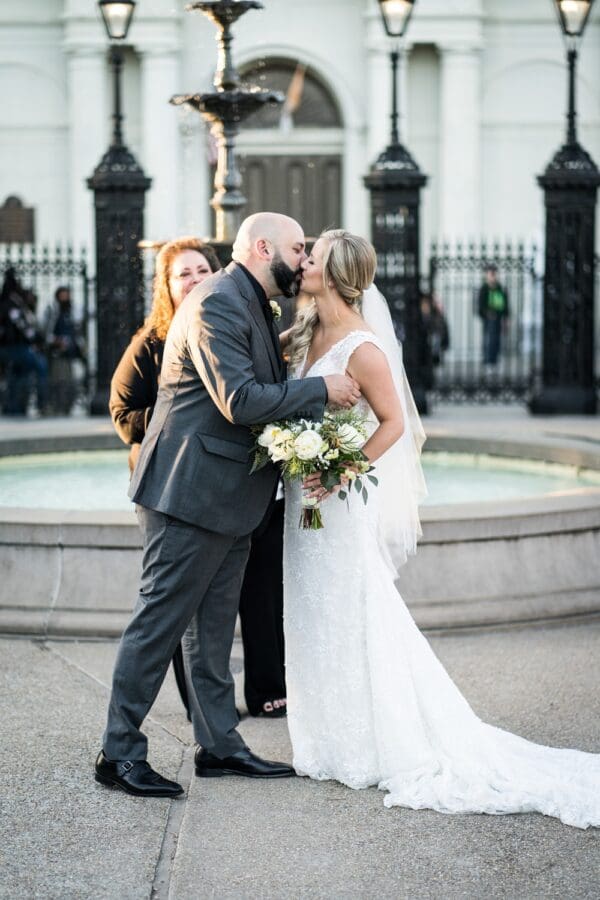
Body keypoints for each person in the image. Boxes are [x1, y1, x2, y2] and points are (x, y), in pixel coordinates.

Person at [282, 228, 600, 829]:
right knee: (311, 612)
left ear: (337, 274)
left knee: (354, 607)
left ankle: (381, 739)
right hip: (303, 498)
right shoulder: (303, 332)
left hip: (338, 500)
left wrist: (339, 472)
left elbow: (393, 423)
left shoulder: (362, 348)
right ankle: (326, 738)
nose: (302, 265)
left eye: (313, 258)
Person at [95, 212, 361, 797]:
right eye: (298, 248)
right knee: (158, 623)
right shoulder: (217, 300)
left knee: (211, 632)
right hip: (189, 496)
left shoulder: (251, 301)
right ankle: (118, 753)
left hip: (228, 499)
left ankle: (219, 745)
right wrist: (321, 390)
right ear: (263, 247)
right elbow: (239, 400)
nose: (304, 259)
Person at [109, 236, 221, 720]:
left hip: (213, 487)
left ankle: (212, 729)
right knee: (167, 606)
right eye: (183, 275)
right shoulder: (149, 343)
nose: (194, 280)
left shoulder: (227, 329)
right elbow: (120, 413)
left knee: (208, 617)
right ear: (168, 286)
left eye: (201, 271)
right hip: (165, 481)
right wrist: (177, 410)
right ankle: (128, 735)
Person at [0, 267, 48, 415]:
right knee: (40, 367)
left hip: (9, 347)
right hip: (15, 346)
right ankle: (42, 403)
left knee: (18, 374)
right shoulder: (12, 304)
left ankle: (14, 406)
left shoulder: (6, 302)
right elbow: (21, 326)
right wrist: (36, 338)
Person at [45, 286, 85, 415]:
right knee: (58, 381)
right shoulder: (53, 312)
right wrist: (57, 341)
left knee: (71, 382)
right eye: (63, 295)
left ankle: (67, 407)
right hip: (58, 354)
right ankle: (58, 407)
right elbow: (48, 332)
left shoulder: (73, 311)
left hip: (71, 353)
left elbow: (77, 331)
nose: (65, 298)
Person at [477, 264, 510, 368]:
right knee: (488, 338)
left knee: (496, 338)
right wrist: (487, 313)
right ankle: (487, 360)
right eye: (490, 274)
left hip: (498, 317)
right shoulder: (484, 288)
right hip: (488, 318)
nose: (493, 276)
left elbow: (505, 305)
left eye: (494, 274)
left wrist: (506, 318)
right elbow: (480, 306)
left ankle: (494, 360)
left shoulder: (500, 288)